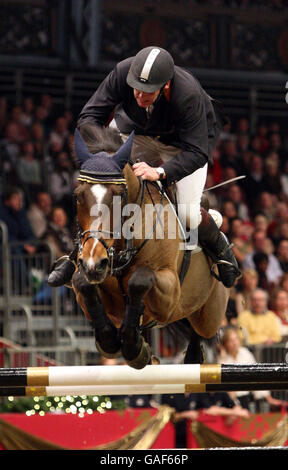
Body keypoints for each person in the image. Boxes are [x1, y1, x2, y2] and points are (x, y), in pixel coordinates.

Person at [48, 46, 241, 288]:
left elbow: (197, 152)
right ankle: (76, 256)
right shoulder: (122, 72)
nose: (139, 96)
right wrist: (102, 155)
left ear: (166, 86)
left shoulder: (188, 95)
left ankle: (219, 245)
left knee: (188, 214)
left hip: (180, 145)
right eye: (136, 90)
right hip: (134, 134)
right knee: (101, 192)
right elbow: (88, 118)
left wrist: (159, 172)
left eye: (147, 92)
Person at [218, 326, 287, 411]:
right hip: (229, 401)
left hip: (246, 397)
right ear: (225, 344)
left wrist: (268, 398)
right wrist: (234, 404)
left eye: (236, 339)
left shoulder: (245, 353)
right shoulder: (222, 360)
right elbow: (225, 386)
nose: (234, 343)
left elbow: (257, 375)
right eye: (231, 341)